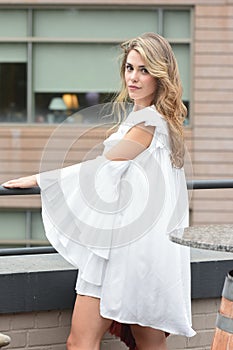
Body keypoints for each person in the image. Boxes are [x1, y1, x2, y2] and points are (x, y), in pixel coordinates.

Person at [2, 32, 196, 350]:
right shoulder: (158, 120)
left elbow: (102, 168)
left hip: (122, 250)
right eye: (130, 68)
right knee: (148, 343)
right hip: (141, 249)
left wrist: (39, 179)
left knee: (81, 342)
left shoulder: (148, 122)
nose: (133, 77)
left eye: (144, 70)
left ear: (161, 75)